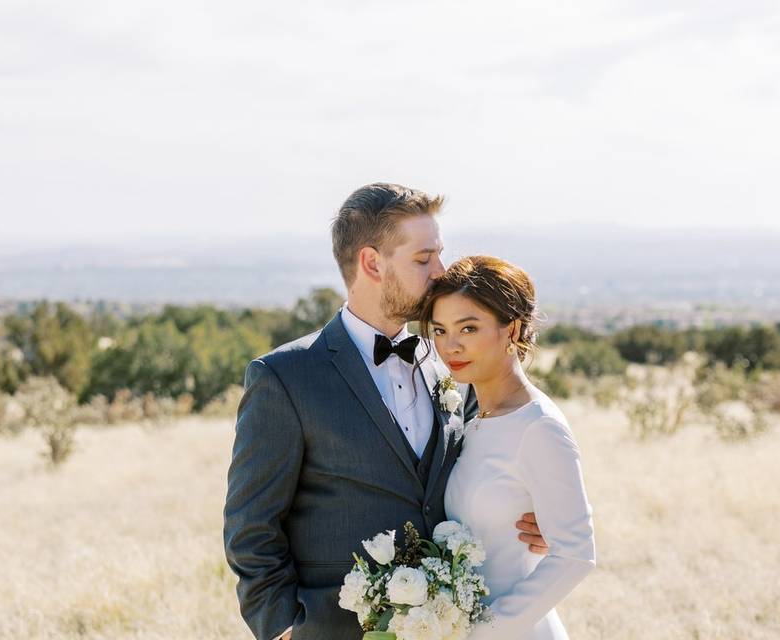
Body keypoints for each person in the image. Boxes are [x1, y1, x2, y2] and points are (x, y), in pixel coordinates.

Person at [223, 184, 547, 640]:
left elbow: (494, 460)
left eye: (440, 255)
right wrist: (280, 627)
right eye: (423, 258)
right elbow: (250, 527)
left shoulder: (452, 365)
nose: (441, 272)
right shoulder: (285, 378)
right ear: (372, 263)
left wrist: (537, 516)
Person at [419, 255, 596, 639]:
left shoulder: (539, 426)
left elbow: (575, 554)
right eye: (440, 330)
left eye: (468, 328)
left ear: (512, 329)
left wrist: (485, 631)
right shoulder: (473, 419)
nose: (451, 346)